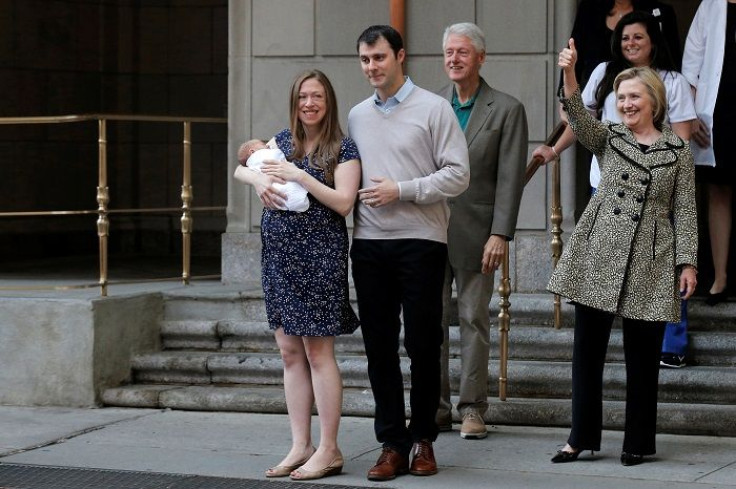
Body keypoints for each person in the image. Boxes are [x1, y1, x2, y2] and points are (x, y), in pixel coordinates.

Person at [548, 40, 698, 466]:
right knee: (587, 351)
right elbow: (577, 117)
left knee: (643, 355)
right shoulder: (608, 137)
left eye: (634, 97)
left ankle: (637, 442)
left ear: (654, 101)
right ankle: (580, 438)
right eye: (621, 98)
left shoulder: (677, 152)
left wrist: (687, 262)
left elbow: (686, 210)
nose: (626, 104)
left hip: (652, 253)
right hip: (601, 249)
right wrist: (570, 72)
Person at [348, 25, 470, 481]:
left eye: (379, 57)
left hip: (421, 242)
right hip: (369, 245)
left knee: (423, 344)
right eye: (365, 60)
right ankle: (391, 444)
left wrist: (403, 189)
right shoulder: (358, 115)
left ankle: (423, 440)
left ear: (400, 56)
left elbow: (459, 175)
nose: (372, 67)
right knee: (378, 347)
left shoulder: (434, 109)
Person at [233, 69, 361, 481]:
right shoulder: (282, 141)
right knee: (289, 353)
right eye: (303, 96)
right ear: (295, 102)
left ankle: (329, 448)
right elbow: (242, 167)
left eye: (317, 97)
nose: (309, 103)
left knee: (317, 353)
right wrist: (257, 182)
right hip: (280, 259)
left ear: (329, 102)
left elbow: (344, 202)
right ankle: (300, 444)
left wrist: (299, 176)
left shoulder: (343, 147)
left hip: (320, 257)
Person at [435, 22, 528, 440]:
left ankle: (472, 408)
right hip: (430, 231)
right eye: (449, 52)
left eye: (463, 52)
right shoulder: (432, 106)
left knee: (474, 319)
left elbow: (510, 178)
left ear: (480, 58)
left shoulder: (506, 109)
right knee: (428, 321)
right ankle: (433, 407)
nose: (454, 59)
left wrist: (501, 234)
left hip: (479, 234)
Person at [682, 0, 736, 306]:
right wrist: (691, 114)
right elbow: (691, 65)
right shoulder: (711, 5)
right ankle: (720, 278)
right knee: (719, 190)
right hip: (719, 111)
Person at [566, 0, 681, 89]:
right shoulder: (601, 72)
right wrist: (566, 101)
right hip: (598, 90)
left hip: (650, 89)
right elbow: (580, 116)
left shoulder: (673, 82)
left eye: (638, 37)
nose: (630, 43)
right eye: (625, 38)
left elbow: (672, 58)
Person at [237, 139, 310, 212]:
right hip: (274, 208)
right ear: (252, 151)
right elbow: (238, 171)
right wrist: (256, 179)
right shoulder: (260, 156)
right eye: (263, 144)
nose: (268, 145)